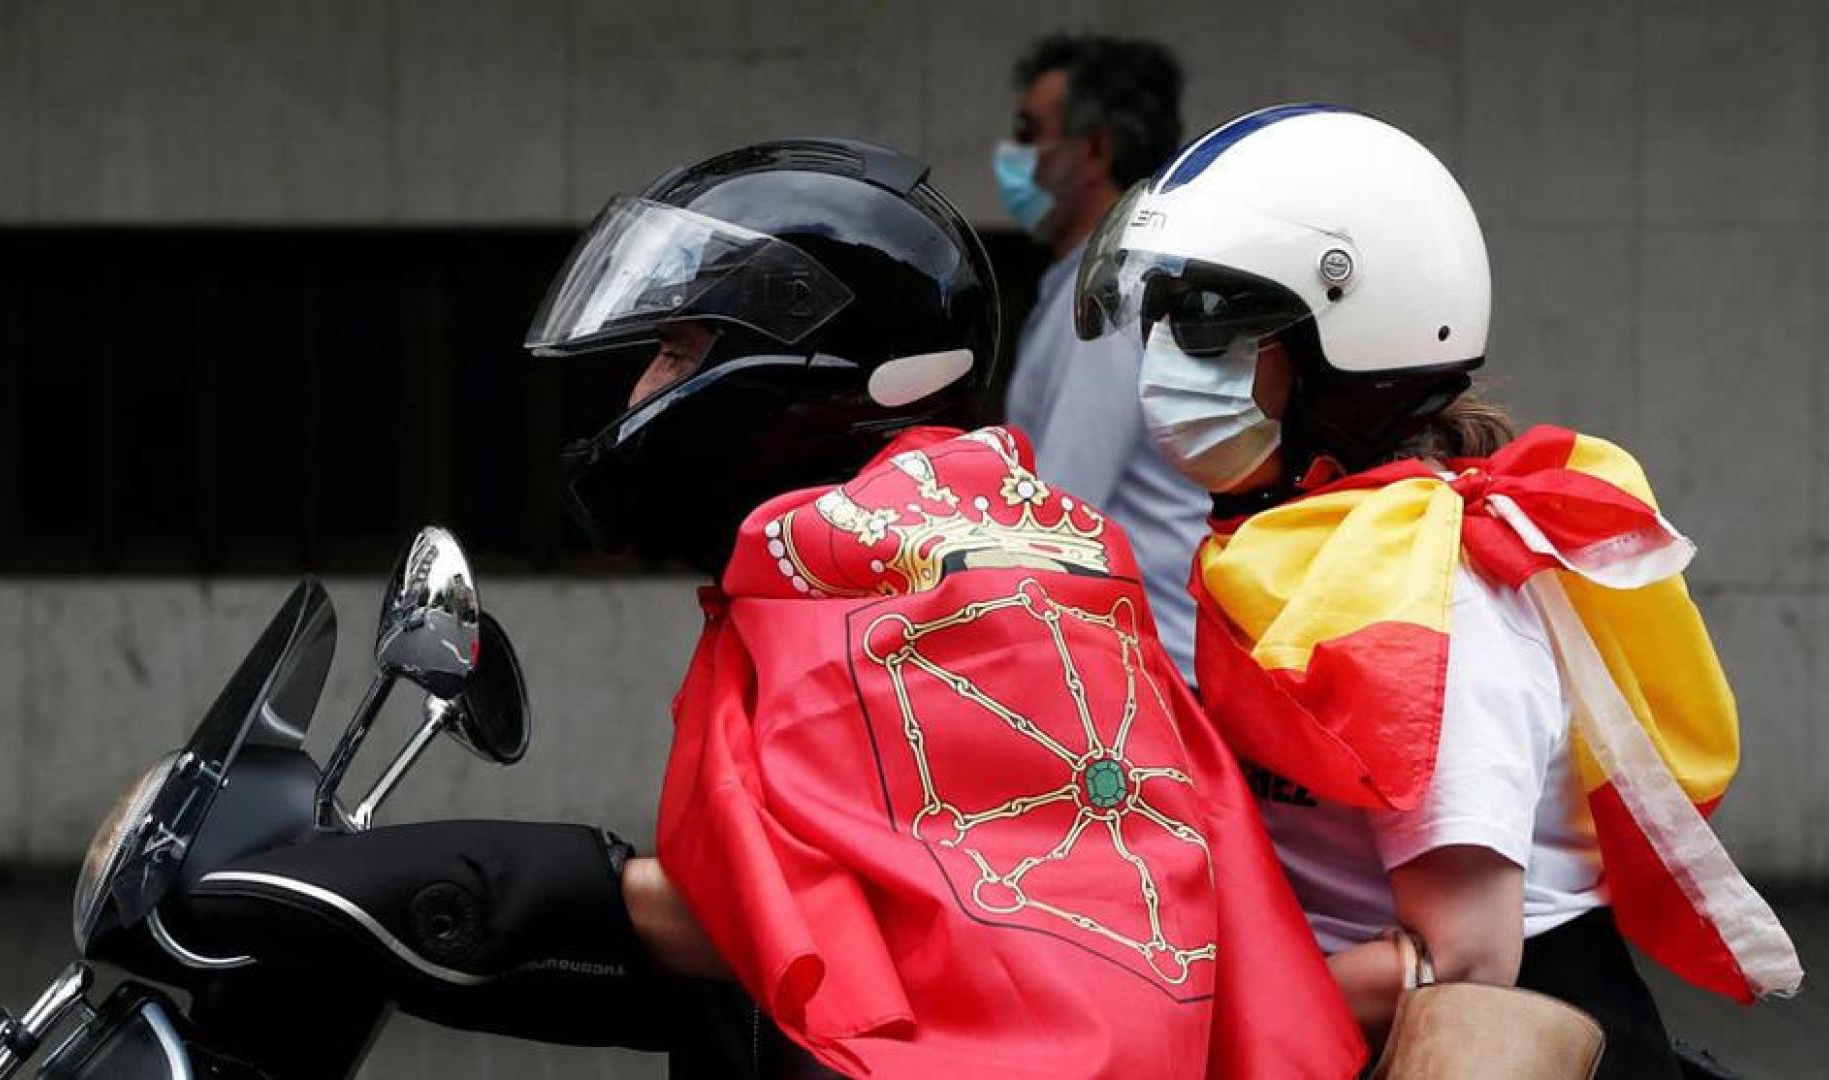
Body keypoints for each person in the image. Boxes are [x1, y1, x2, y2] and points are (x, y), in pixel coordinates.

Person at [521, 137, 1366, 1077]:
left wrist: (498, 888)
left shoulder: (971, 607)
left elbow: (874, 921)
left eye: (676, 354)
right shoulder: (816, 578)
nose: (640, 395)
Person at [1073, 104, 1804, 1078]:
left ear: (1354, 349)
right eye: (1165, 331)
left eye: (1215, 334)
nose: (1167, 374)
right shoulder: (1301, 553)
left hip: (1495, 1037)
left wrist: (1190, 1017)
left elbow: (1465, 957)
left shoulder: (1435, 590)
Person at [997, 33, 1212, 680]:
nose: (1013, 155)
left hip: (1143, 677)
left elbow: (1058, 507)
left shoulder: (1112, 290)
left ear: (1094, 149)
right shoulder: (1092, 282)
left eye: (1030, 131)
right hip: (1140, 663)